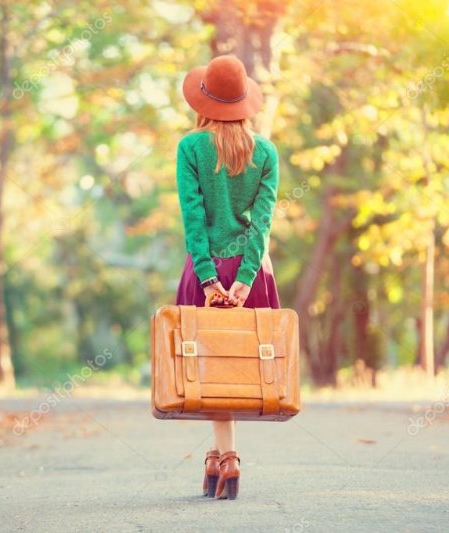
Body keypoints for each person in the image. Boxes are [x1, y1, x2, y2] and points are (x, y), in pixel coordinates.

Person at [174, 54, 281, 500]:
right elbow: (263, 221)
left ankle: (227, 458)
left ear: (204, 100)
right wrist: (245, 277)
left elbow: (193, 217)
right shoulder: (267, 153)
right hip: (252, 271)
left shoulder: (190, 148)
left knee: (210, 366)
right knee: (236, 366)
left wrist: (208, 279)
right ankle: (219, 457)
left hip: (208, 269)